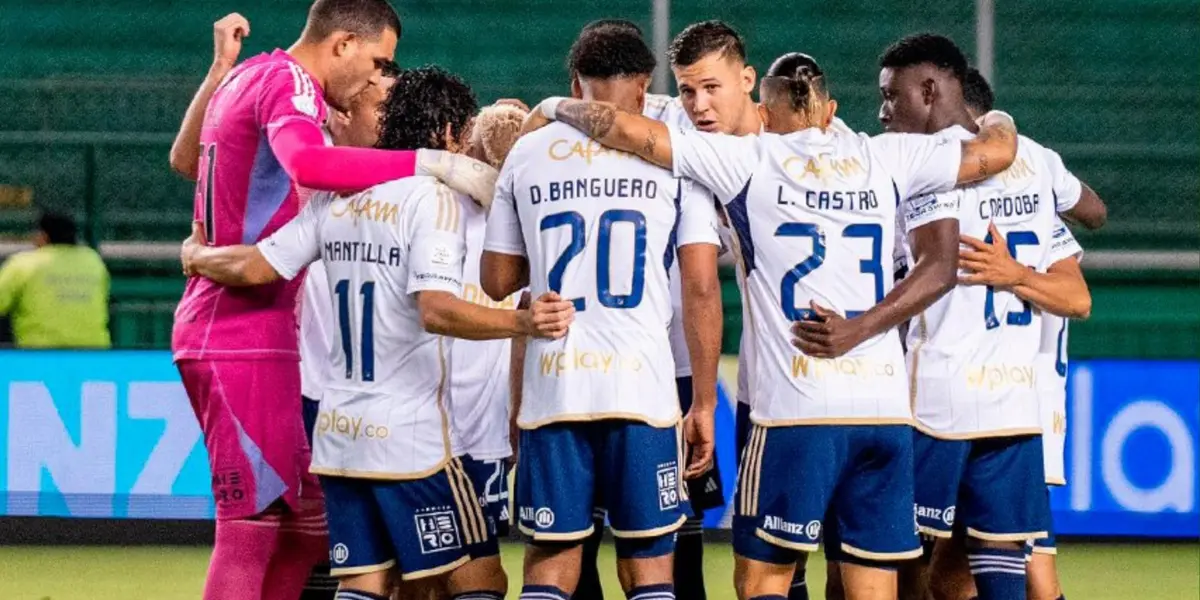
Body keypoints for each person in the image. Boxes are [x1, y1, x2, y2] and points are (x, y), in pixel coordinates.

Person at [525, 44, 1022, 598]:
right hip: (883, 413)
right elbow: (996, 151)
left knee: (764, 577)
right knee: (872, 582)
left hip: (796, 408)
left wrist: (552, 107)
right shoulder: (889, 157)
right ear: (828, 109)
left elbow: (623, 130)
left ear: (765, 112)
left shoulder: (748, 160)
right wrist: (998, 116)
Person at [180, 65, 575, 600]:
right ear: (448, 135)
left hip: (339, 437)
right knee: (481, 579)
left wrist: (199, 255)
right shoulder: (431, 201)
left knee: (365, 581)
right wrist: (521, 321)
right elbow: (435, 309)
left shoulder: (335, 200)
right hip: (409, 437)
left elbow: (255, 268)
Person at [481, 24, 724, 600]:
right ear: (644, 90)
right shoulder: (673, 155)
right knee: (649, 565)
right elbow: (700, 287)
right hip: (641, 389)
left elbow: (496, 282)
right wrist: (705, 402)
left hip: (554, 391)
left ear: (574, 85)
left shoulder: (526, 152)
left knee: (550, 561)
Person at [876, 33, 1097, 600]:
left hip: (937, 399)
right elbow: (1091, 218)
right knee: (998, 567)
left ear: (929, 90)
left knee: (899, 560)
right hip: (1016, 402)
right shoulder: (1036, 163)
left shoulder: (922, 167)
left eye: (890, 96)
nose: (882, 112)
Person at [0, 211, 110, 349]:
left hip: (39, 356)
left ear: (43, 236)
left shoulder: (23, 264)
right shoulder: (93, 260)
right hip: (95, 354)